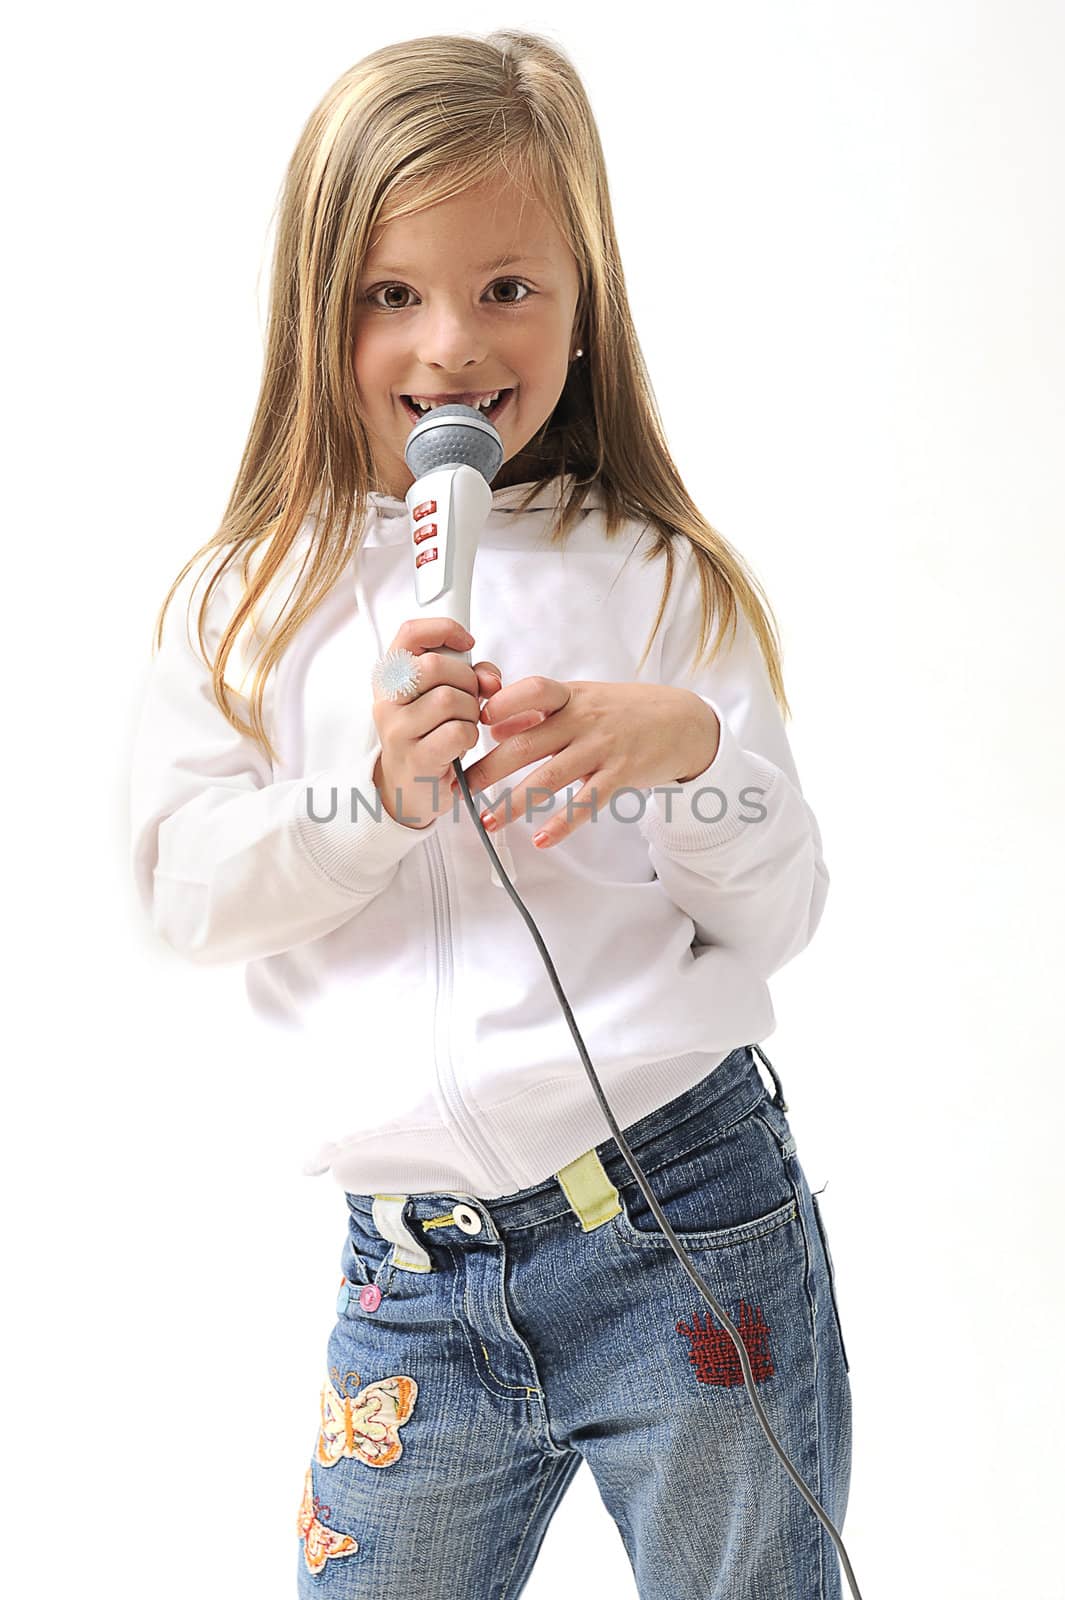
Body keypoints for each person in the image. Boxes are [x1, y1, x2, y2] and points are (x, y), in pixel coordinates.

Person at [128, 29, 852, 1600]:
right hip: (410, 1283)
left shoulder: (656, 578)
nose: (452, 344)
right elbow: (178, 893)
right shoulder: (248, 605)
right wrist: (365, 801)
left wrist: (689, 750)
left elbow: (777, 912)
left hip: (680, 1217)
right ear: (314, 313)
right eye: (394, 294)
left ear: (585, 308)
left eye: (507, 289)